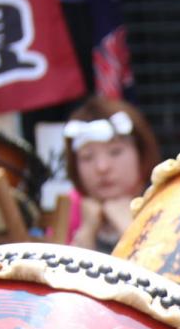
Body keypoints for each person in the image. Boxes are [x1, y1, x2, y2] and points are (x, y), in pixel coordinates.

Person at [62, 96, 160, 253]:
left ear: (141, 153)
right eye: (87, 157)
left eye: (115, 152)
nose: (102, 167)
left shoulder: (167, 201)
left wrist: (129, 228)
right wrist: (86, 234)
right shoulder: (69, 210)